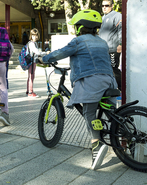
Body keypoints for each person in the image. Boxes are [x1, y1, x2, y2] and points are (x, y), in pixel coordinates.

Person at [40, 9, 117, 170]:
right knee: (112, 114)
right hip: (110, 81)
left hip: (92, 81)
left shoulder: (79, 41)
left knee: (89, 113)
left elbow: (59, 54)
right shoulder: (102, 42)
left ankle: (97, 145)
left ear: (81, 27)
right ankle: (122, 140)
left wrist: (43, 58)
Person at [98, 0, 122, 91]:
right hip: (103, 49)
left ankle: (122, 89)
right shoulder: (102, 17)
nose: (104, 8)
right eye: (103, 5)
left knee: (114, 69)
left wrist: (120, 44)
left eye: (107, 5)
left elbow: (121, 30)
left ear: (112, 6)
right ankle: (109, 88)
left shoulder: (117, 16)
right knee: (104, 70)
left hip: (113, 48)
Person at [26, 28, 48, 98]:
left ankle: (28, 91)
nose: (34, 37)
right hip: (31, 61)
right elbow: (37, 52)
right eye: (33, 35)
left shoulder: (33, 43)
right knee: (31, 77)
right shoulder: (31, 44)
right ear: (31, 36)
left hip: (32, 61)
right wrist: (45, 53)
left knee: (30, 76)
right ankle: (30, 92)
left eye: (36, 35)